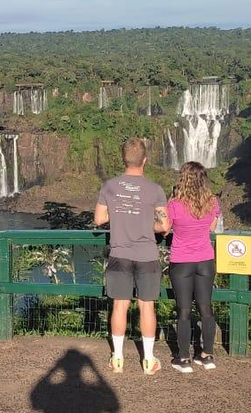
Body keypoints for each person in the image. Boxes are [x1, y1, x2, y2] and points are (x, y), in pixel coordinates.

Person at [95, 137, 169, 375]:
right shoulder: (155, 189)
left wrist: (120, 213)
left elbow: (99, 219)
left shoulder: (109, 186)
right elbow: (164, 225)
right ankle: (148, 360)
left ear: (123, 159)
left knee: (119, 305)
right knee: (147, 306)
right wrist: (147, 221)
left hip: (120, 253)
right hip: (147, 255)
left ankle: (117, 358)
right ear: (144, 160)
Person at [165, 161, 220, 373]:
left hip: (181, 262)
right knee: (206, 308)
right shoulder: (212, 202)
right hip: (205, 260)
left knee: (184, 311)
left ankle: (184, 358)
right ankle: (207, 355)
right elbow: (212, 227)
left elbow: (164, 228)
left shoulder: (175, 205)